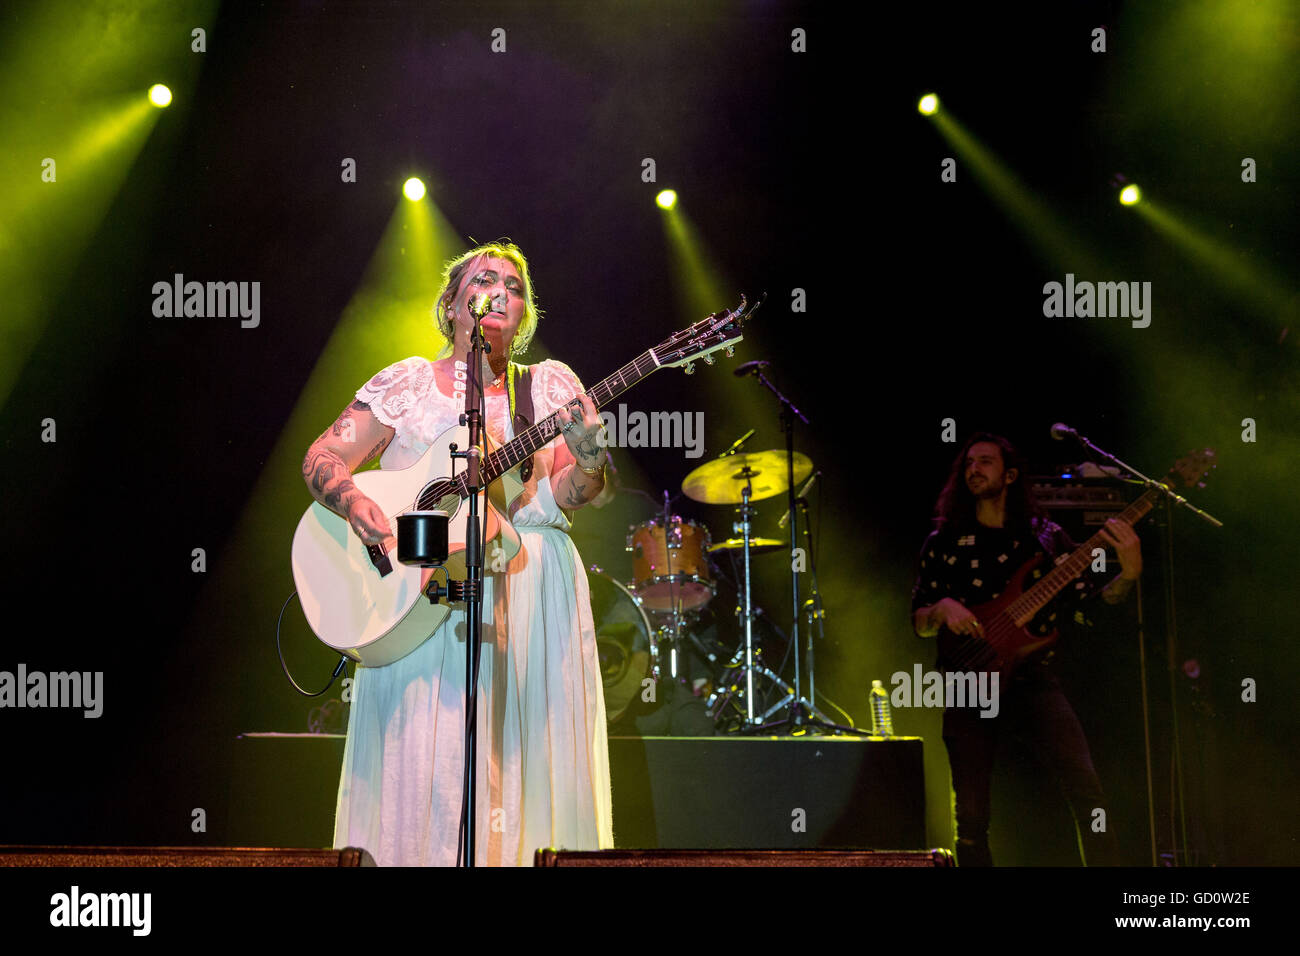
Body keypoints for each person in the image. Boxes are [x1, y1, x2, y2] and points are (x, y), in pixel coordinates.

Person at [301, 240, 613, 865]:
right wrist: (353, 502)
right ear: (451, 306)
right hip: (417, 589)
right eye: (484, 278)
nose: (501, 290)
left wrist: (587, 453)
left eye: (515, 284)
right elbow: (322, 458)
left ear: (523, 314)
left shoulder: (547, 387)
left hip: (528, 586)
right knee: (423, 752)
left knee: (526, 758)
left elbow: (574, 494)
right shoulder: (407, 383)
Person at [911, 433, 1141, 866]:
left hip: (1035, 679)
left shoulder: (1047, 539)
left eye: (985, 462)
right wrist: (942, 607)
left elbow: (1093, 600)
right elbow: (919, 623)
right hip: (969, 681)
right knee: (972, 814)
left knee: (1086, 790)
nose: (973, 469)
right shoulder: (942, 542)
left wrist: (1127, 574)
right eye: (968, 464)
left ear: (1011, 475)